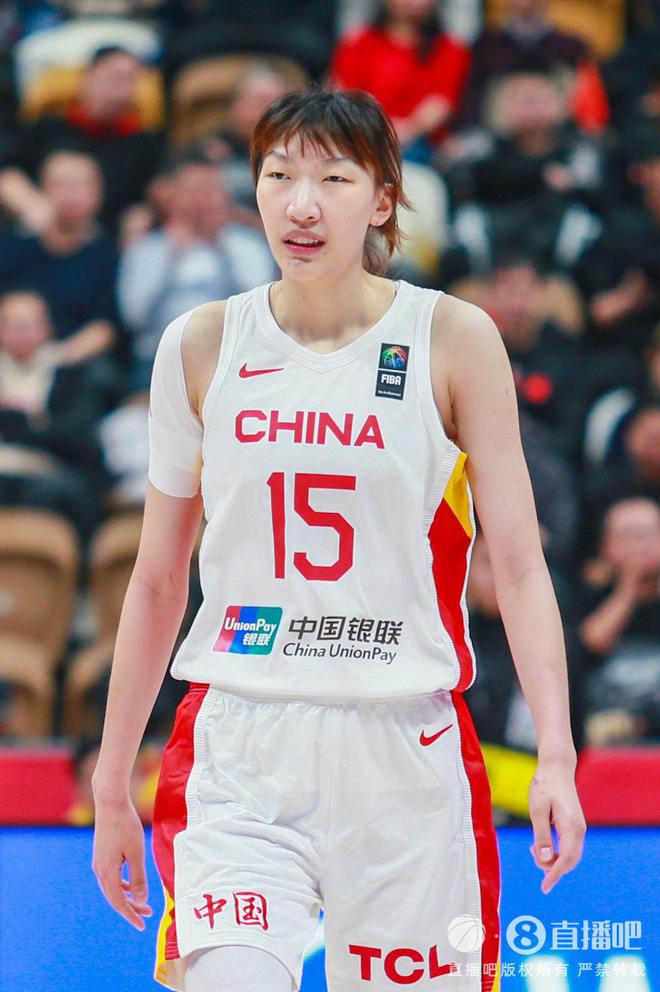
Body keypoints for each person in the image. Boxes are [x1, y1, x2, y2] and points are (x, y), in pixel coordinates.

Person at [91, 89, 585, 992]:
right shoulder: (201, 344)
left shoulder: (452, 337)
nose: (301, 204)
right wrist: (111, 779)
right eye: (279, 176)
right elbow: (157, 579)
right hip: (243, 739)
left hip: (404, 745)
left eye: (333, 178)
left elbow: (518, 566)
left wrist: (556, 754)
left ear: (384, 198)